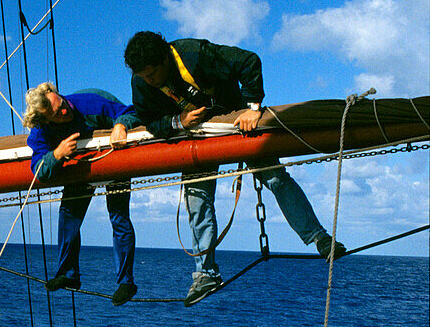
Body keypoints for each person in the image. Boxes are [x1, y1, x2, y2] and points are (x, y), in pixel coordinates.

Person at [124, 31, 346, 306]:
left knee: (276, 178)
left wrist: (253, 107)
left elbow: (248, 61)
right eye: (143, 76)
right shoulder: (141, 83)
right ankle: (205, 274)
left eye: (151, 74)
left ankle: (320, 239)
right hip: (195, 135)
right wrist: (177, 122)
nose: (147, 81)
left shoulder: (196, 54)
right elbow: (149, 120)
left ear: (165, 60)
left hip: (237, 122)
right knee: (197, 200)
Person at [23, 83, 140, 306]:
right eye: (58, 114)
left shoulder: (90, 103)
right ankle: (68, 274)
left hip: (114, 157)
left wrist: (121, 125)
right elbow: (39, 170)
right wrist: (56, 154)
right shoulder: (41, 131)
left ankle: (126, 282)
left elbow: (130, 112)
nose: (65, 111)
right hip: (79, 164)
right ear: (46, 121)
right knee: (68, 215)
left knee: (118, 217)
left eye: (63, 104)